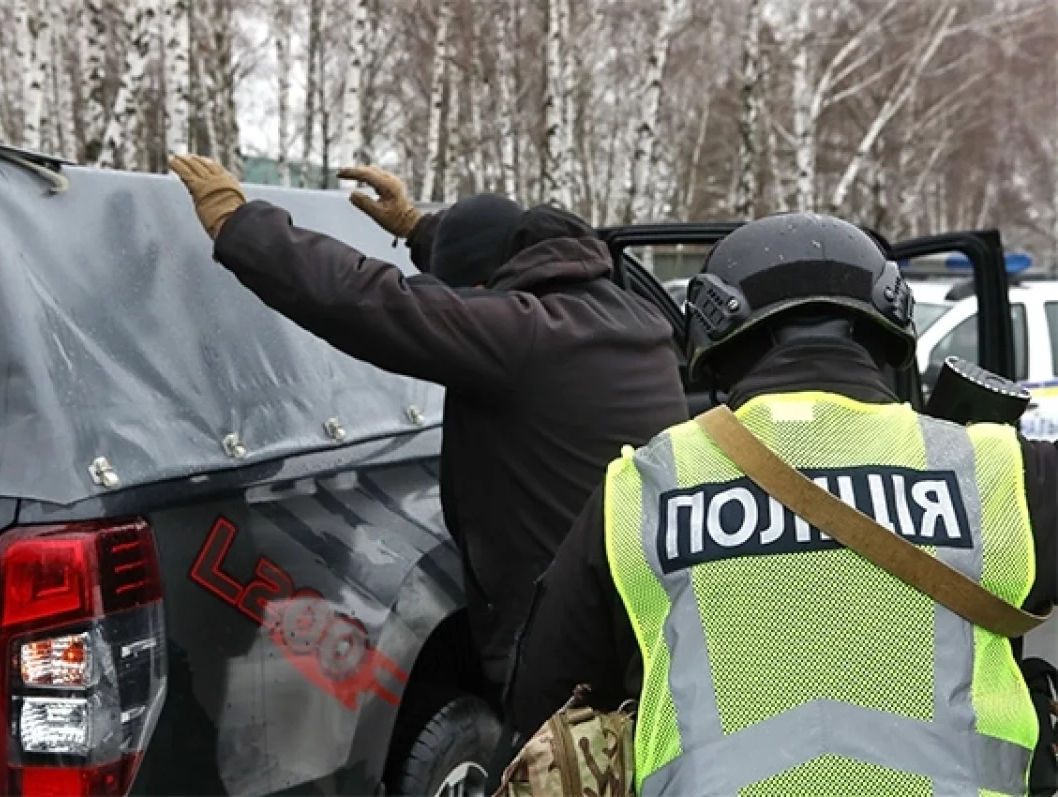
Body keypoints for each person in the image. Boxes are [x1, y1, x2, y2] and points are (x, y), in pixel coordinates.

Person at [508, 212, 1058, 795]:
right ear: (889, 330)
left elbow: (542, 702)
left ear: (715, 344)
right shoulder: (1002, 471)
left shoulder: (642, 487)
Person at [167, 154, 689, 700]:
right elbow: (486, 262)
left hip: (567, 649)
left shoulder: (522, 336)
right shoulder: (636, 318)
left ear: (488, 285)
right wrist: (419, 228)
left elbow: (371, 300)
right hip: (649, 620)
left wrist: (241, 226)